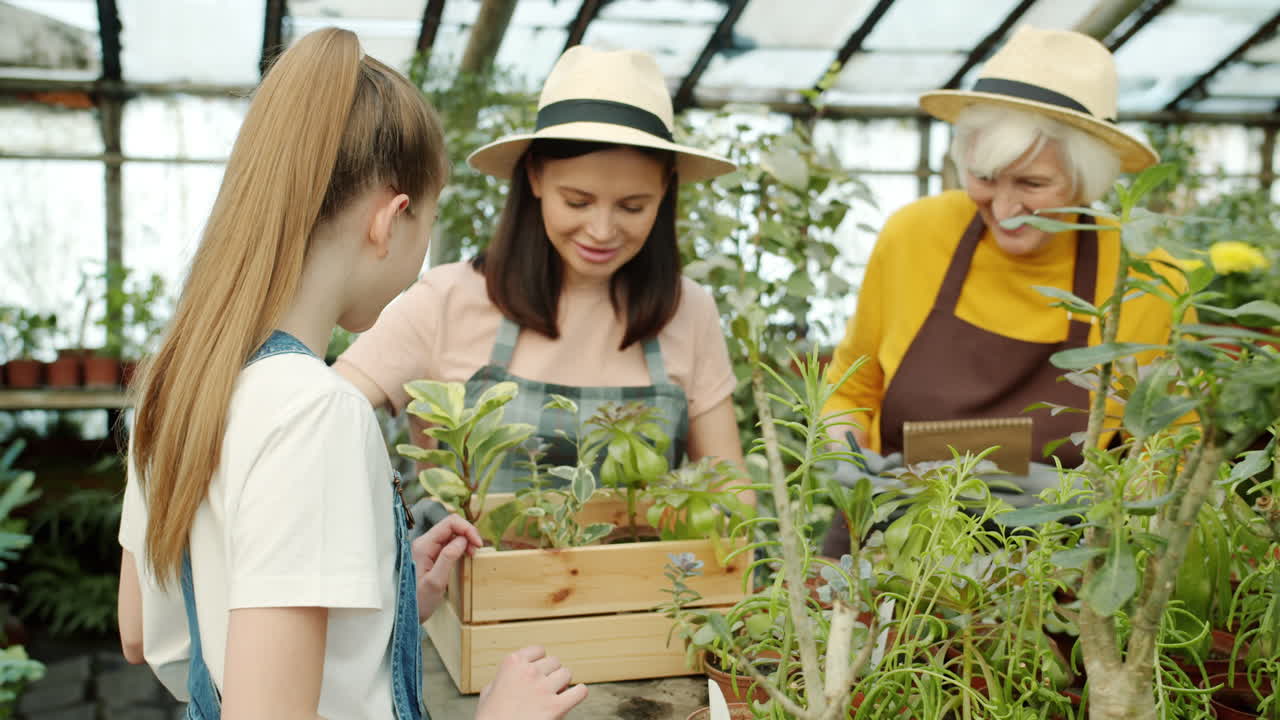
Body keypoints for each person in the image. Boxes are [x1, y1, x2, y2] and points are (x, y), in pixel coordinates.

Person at [114, 28, 587, 720]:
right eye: (427, 221)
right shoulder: (314, 412)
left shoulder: (177, 380)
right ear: (390, 222)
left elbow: (143, 634)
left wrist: (382, 601)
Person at [821, 27, 1186, 555]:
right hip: (891, 539)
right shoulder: (914, 235)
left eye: (1034, 184)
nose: (1006, 208)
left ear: (1088, 181)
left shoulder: (1142, 276)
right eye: (986, 177)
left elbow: (1167, 445)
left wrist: (1095, 498)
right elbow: (850, 389)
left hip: (1050, 566)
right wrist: (847, 463)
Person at [336, 45, 746, 494]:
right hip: (473, 567)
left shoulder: (689, 310)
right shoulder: (447, 299)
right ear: (534, 177)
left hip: (653, 568)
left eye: (633, 206)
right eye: (577, 201)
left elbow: (732, 496)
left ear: (666, 191)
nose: (602, 230)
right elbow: (320, 411)